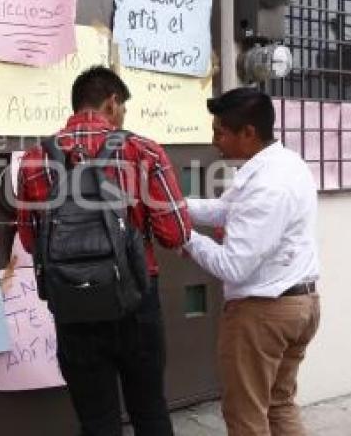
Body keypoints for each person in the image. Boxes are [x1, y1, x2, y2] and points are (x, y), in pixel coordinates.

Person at [17, 66, 191, 436]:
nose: (123, 115)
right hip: (136, 300)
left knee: (96, 422)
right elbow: (175, 234)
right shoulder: (143, 150)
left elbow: (33, 243)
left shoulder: (35, 159)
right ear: (112, 102)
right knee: (150, 412)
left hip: (72, 302)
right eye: (123, 107)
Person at [183, 87, 320, 436]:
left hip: (264, 313)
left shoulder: (268, 185)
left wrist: (182, 236)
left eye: (220, 133)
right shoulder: (284, 164)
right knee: (279, 404)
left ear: (248, 133)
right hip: (298, 305)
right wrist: (174, 206)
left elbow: (232, 267)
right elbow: (223, 209)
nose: (215, 141)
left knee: (246, 418)